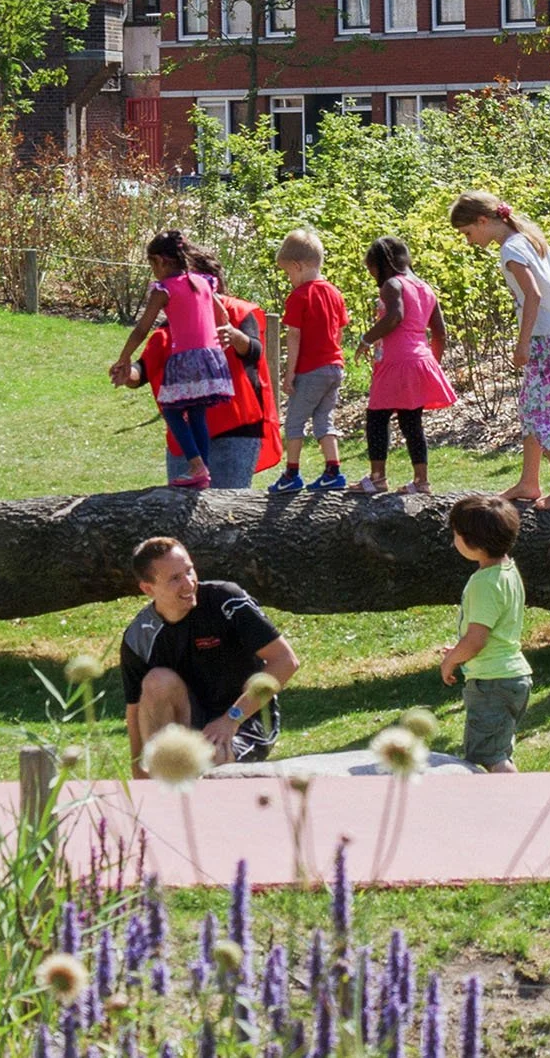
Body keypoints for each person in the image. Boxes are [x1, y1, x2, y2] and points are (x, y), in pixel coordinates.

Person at [450, 191, 550, 510]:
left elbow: (533, 295)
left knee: (540, 413)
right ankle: (529, 481)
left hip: (547, 338)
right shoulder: (529, 237)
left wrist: (522, 342)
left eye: (468, 233)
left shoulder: (511, 249)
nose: (469, 242)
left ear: (483, 221)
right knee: (530, 406)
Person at [114, 233, 282, 488]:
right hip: (187, 438)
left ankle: (197, 466)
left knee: (226, 504)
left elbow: (255, 353)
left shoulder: (238, 311)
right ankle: (198, 466)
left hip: (236, 430)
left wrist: (235, 336)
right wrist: (129, 373)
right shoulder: (172, 323)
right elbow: (144, 367)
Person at [120, 538, 302, 770]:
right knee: (157, 681)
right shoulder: (139, 636)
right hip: (190, 722)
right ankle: (161, 775)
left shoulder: (226, 601)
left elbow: (286, 661)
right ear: (148, 589)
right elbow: (136, 710)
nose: (189, 583)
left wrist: (231, 719)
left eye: (189, 571)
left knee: (206, 759)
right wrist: (140, 779)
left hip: (244, 720)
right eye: (175, 578)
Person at [351, 236, 457, 495]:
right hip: (420, 359)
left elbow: (395, 317)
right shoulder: (425, 288)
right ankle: (421, 481)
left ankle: (377, 478)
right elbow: (440, 332)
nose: (371, 274)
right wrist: (432, 363)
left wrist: (366, 339)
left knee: (377, 417)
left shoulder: (393, 284)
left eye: (371, 267)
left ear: (382, 263)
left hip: (396, 362)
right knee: (411, 422)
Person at [437, 495, 531, 772]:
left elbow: (477, 640)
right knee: (497, 751)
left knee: (491, 758)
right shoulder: (508, 571)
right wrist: (459, 651)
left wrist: (451, 660)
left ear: (472, 542)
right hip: (511, 677)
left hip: (492, 683)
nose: (453, 539)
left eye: (456, 533)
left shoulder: (484, 583)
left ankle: (519, 799)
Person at [271, 228, 350, 493]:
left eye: (288, 273)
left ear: (298, 266)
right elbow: (339, 331)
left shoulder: (300, 296)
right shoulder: (335, 293)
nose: (289, 279)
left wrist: (289, 373)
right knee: (324, 420)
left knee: (294, 421)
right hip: (334, 367)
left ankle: (291, 473)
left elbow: (294, 336)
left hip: (310, 369)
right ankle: (333, 471)